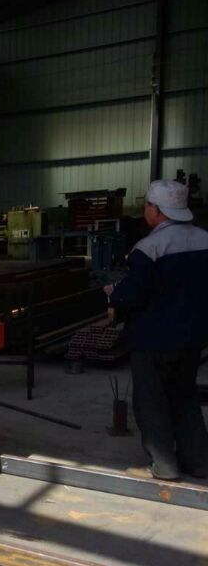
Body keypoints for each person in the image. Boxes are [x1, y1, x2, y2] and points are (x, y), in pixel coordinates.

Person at [105, 179, 208, 480]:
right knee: (184, 396)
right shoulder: (205, 239)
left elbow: (132, 294)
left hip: (154, 339)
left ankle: (164, 465)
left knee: (151, 400)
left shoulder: (150, 247)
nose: (145, 211)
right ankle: (199, 462)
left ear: (158, 211)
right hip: (193, 337)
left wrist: (114, 293)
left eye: (147, 206)